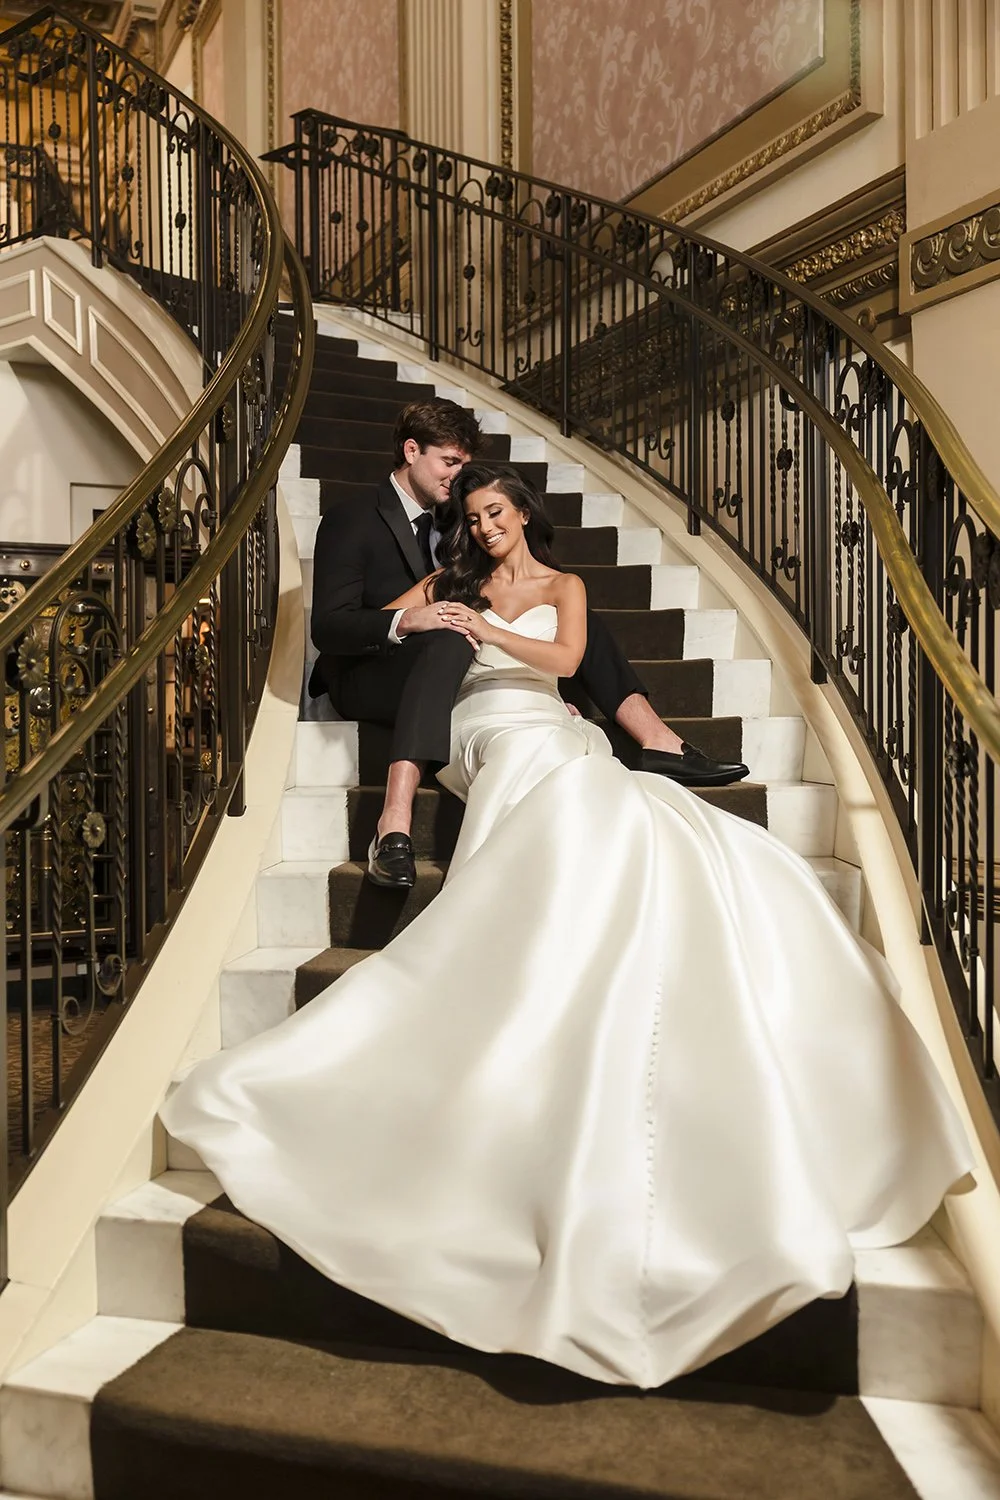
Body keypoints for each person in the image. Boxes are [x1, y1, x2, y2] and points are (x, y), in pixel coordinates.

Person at [164, 463, 972, 1391]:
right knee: (533, 763)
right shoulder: (451, 582)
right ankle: (522, 832)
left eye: (497, 513)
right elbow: (391, 619)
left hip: (549, 718)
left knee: (603, 792)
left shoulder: (564, 587)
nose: (487, 527)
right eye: (473, 518)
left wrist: (492, 627)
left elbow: (559, 661)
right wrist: (434, 614)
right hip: (484, 730)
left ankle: (612, 852)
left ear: (522, 515)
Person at [307, 398, 748, 889]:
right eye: (449, 463)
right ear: (412, 451)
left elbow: (514, 604)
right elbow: (330, 628)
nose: (461, 483)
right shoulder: (353, 519)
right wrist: (412, 618)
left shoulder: (460, 517)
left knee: (567, 608)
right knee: (456, 636)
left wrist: (544, 689)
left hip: (456, 658)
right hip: (375, 665)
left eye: (467, 469)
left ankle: (656, 739)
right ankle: (393, 820)